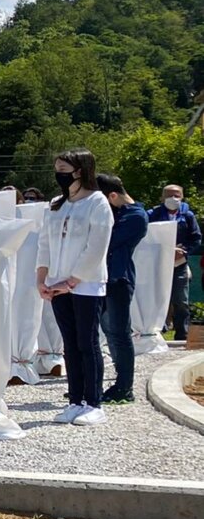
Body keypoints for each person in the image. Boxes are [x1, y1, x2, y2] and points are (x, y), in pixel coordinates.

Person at [37, 150, 113, 426]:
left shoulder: (97, 202)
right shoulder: (57, 204)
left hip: (86, 284)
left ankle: (93, 402)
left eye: (63, 168)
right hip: (57, 285)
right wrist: (42, 279)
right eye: (56, 167)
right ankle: (75, 400)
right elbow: (44, 243)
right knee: (69, 343)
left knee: (87, 342)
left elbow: (97, 246)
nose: (59, 173)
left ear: (79, 170)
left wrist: (72, 281)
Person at [98, 174, 148, 406]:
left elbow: (107, 240)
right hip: (104, 278)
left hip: (118, 279)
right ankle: (104, 383)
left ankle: (124, 386)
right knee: (109, 332)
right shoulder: (119, 212)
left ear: (113, 196)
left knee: (119, 333)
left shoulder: (136, 215)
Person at [149, 183, 202, 342]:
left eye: (176, 195)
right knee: (156, 298)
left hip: (179, 264)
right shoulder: (153, 214)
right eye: (169, 195)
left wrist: (184, 252)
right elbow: (147, 236)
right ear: (162, 197)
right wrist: (166, 250)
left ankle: (182, 334)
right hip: (157, 263)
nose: (173, 198)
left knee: (181, 300)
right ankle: (157, 332)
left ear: (182, 197)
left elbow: (196, 238)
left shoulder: (188, 216)